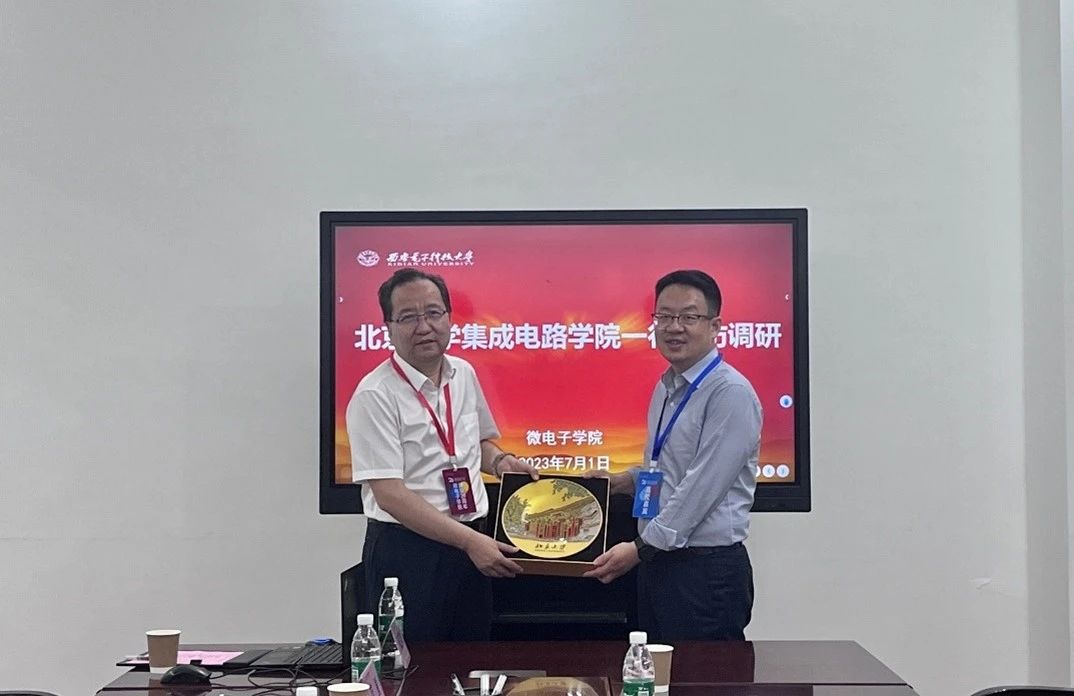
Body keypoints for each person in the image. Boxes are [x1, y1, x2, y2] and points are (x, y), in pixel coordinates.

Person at [346, 268, 538, 641]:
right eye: (408, 317)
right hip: (409, 550)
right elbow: (389, 494)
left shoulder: (462, 373)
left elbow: (478, 443)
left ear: (449, 318)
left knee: (471, 656)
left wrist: (501, 463)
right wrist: (468, 542)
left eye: (433, 313)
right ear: (388, 327)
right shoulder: (375, 394)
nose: (424, 327)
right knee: (412, 661)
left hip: (473, 540)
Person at [584, 269, 762, 641]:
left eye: (688, 317)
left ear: (715, 326)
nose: (674, 327)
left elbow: (701, 489)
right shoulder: (667, 386)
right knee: (660, 671)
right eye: (664, 316)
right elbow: (666, 469)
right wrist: (622, 481)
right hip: (661, 564)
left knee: (703, 674)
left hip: (705, 571)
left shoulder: (730, 393)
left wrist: (640, 549)